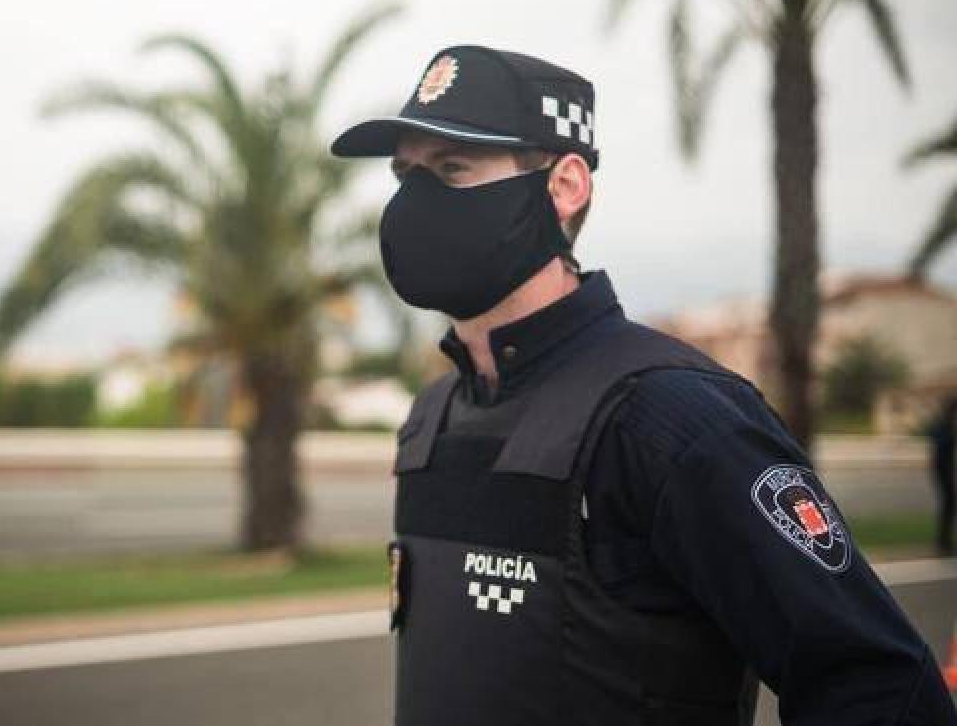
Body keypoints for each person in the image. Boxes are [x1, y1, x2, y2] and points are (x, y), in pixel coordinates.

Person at [330, 44, 957, 726]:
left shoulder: (675, 416)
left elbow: (877, 688)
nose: (414, 201)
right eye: (405, 174)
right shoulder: (432, 417)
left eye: (452, 169)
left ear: (565, 186)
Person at [926, 395, 957, 556]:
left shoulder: (944, 424)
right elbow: (940, 443)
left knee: (949, 505)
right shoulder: (944, 425)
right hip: (942, 469)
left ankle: (944, 542)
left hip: (943, 469)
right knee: (948, 505)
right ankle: (943, 543)